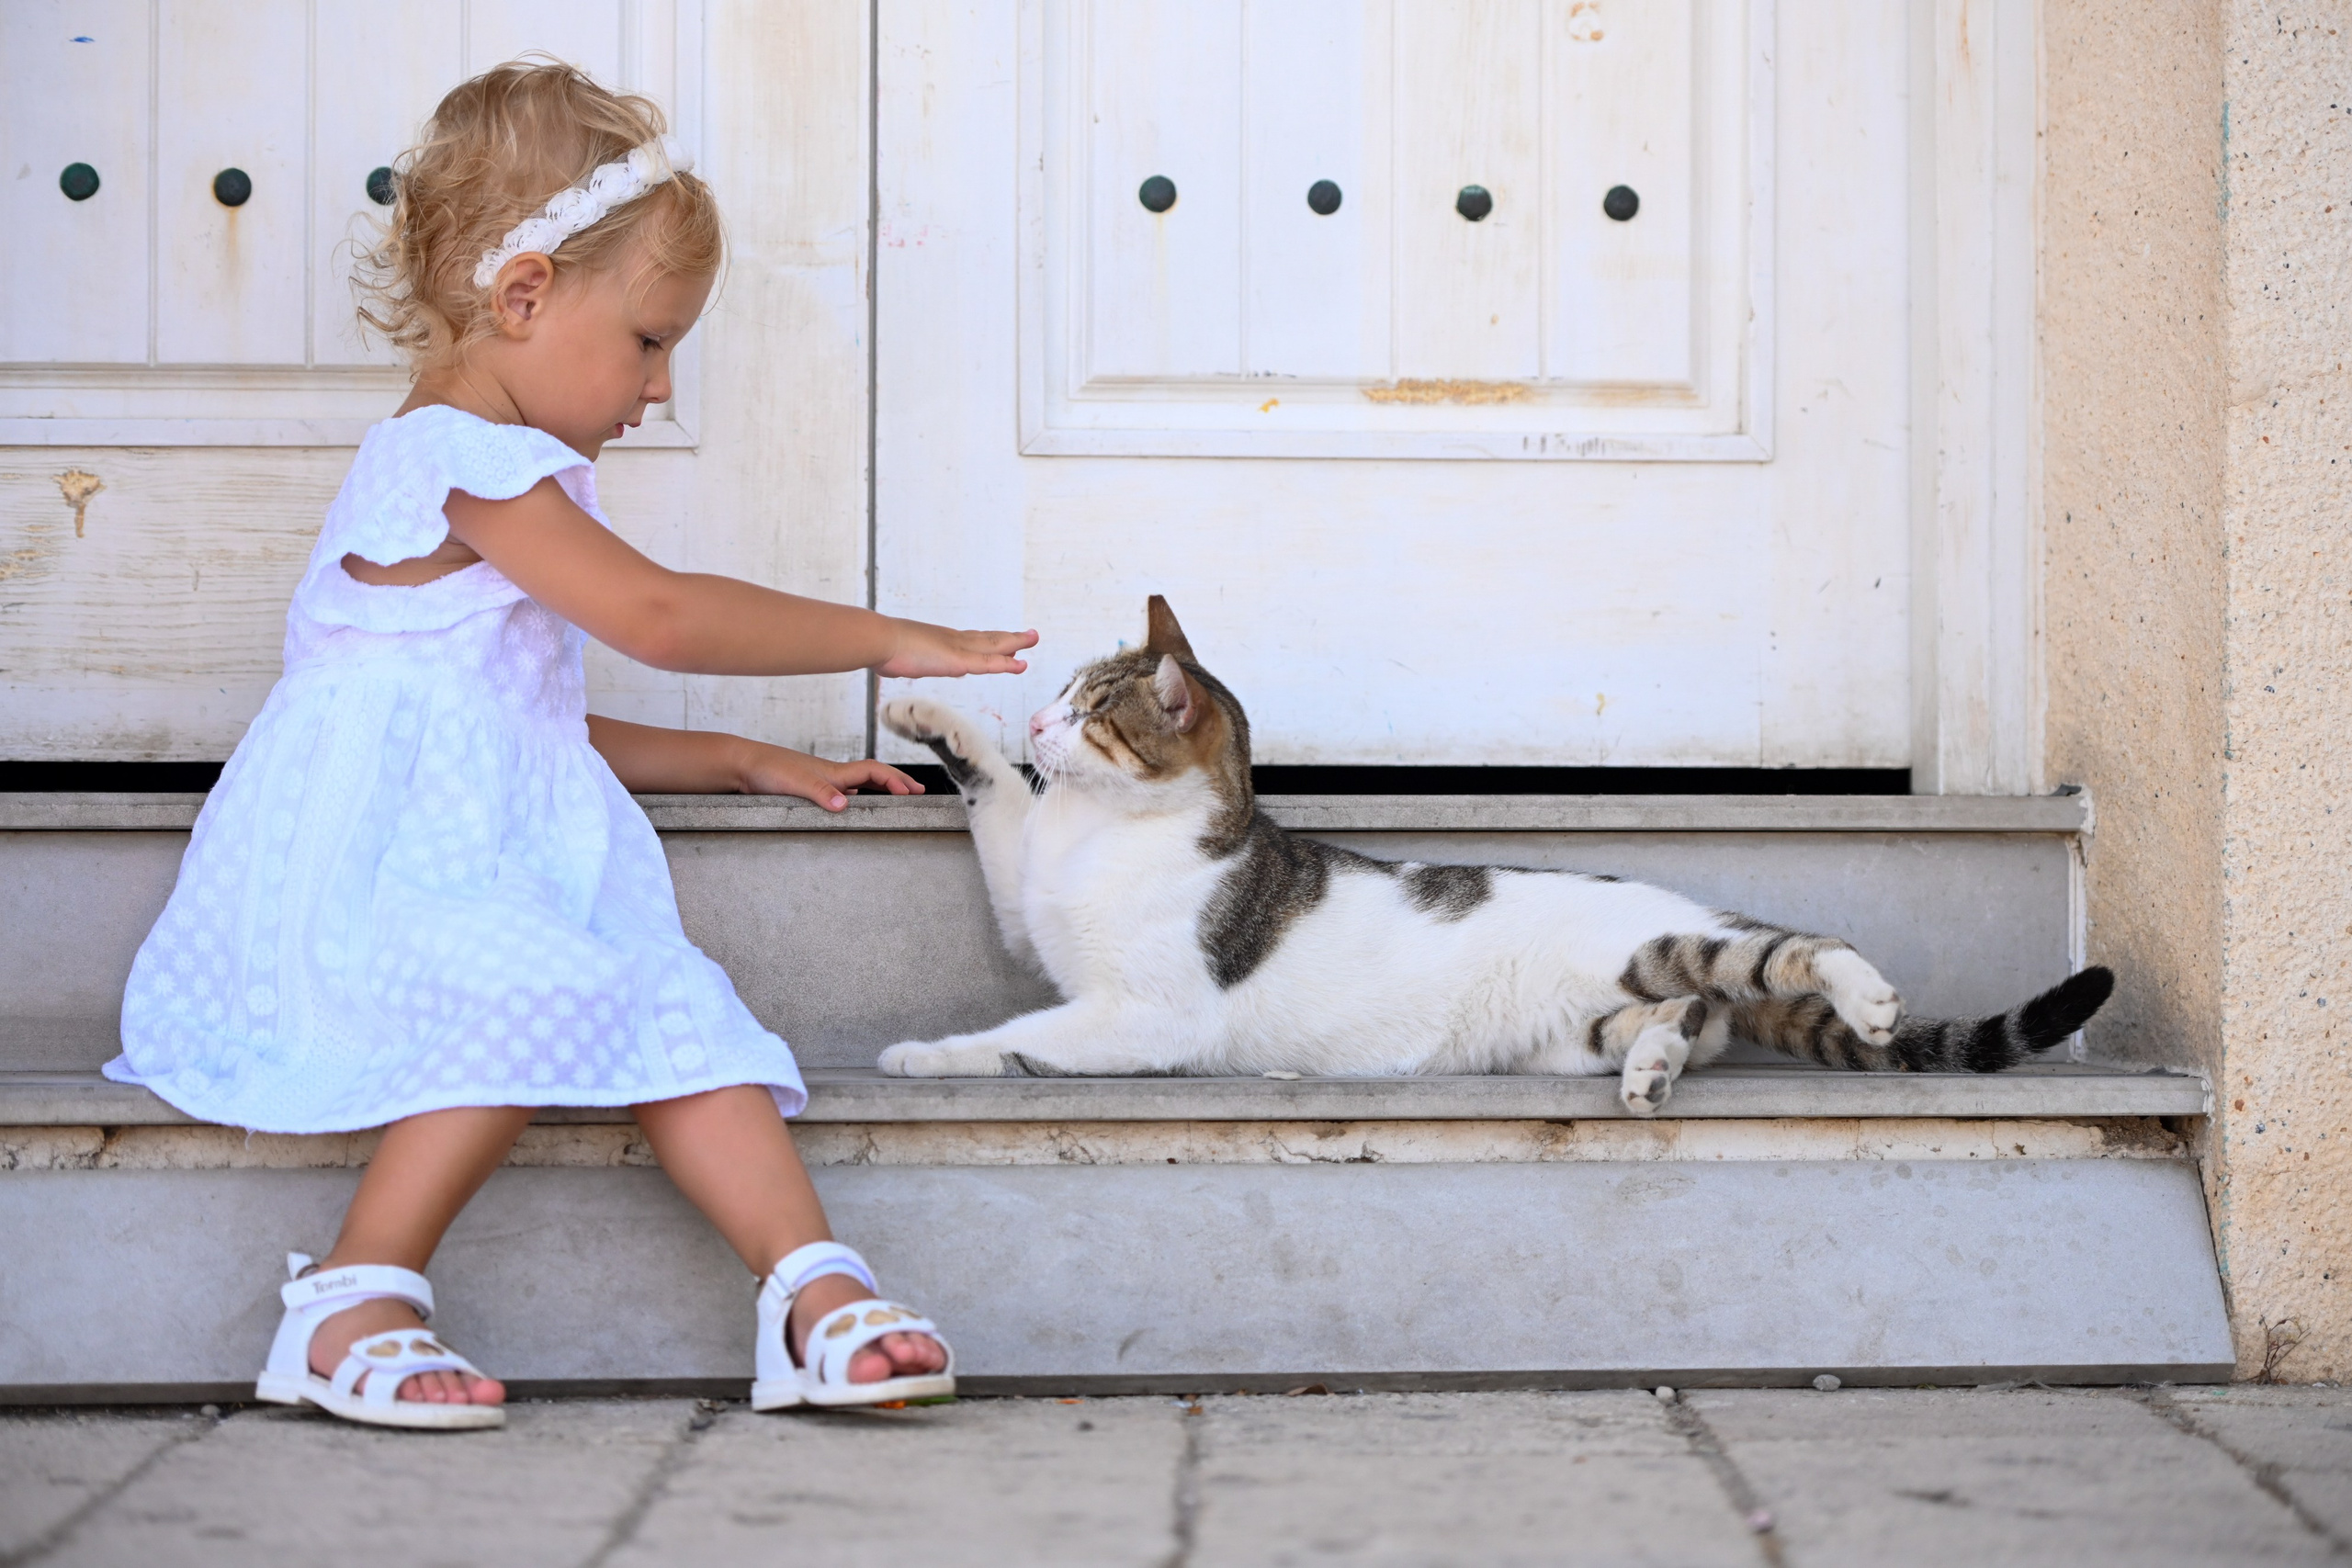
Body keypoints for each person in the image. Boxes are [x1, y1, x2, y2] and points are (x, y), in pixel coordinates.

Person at [103, 61, 1032, 1431]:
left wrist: (743, 762)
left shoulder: (487, 477)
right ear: (525, 295)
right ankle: (349, 1297)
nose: (660, 387)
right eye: (652, 341)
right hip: (352, 901)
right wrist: (892, 636)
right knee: (525, 989)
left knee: (676, 1005)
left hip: (469, 873)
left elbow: (515, 718)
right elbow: (656, 615)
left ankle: (815, 1292)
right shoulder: (457, 464)